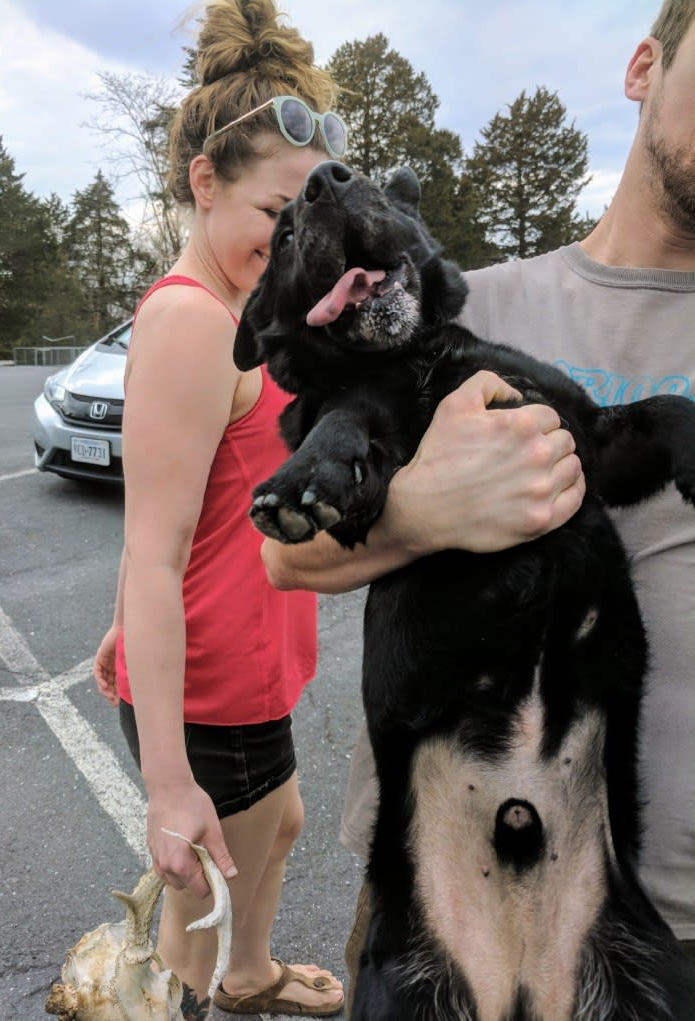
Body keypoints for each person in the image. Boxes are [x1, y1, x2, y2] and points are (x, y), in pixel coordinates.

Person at [94, 1, 583, 1016]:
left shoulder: (248, 309)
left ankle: (249, 975)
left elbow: (224, 499)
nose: (290, 249)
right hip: (213, 685)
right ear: (201, 183)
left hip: (252, 657)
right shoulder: (188, 319)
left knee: (280, 825)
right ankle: (209, 986)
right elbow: (151, 551)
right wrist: (167, 783)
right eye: (276, 220)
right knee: (206, 889)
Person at [262, 0, 695, 1008]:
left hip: (656, 907)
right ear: (642, 67)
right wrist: (421, 510)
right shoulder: (463, 304)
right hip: (433, 880)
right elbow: (287, 554)